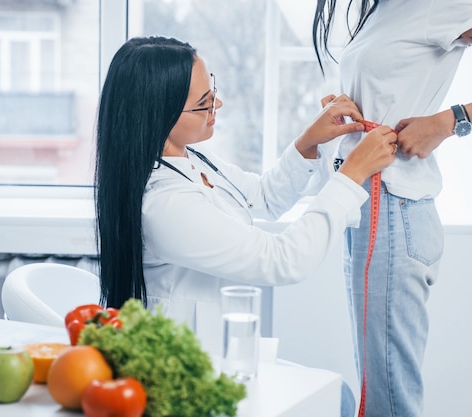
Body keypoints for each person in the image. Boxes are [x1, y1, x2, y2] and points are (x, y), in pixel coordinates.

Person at [94, 37, 395, 415]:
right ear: (159, 114)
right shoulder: (163, 204)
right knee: (338, 400)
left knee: (339, 396)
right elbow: (282, 260)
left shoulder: (191, 161)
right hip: (188, 373)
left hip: (217, 356)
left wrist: (307, 143)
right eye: (204, 102)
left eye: (212, 90)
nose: (217, 104)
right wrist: (351, 177)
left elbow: (262, 197)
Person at [312, 1, 472, 416]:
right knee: (377, 391)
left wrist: (450, 121)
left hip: (394, 209)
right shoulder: (384, 9)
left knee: (388, 400)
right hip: (367, 203)